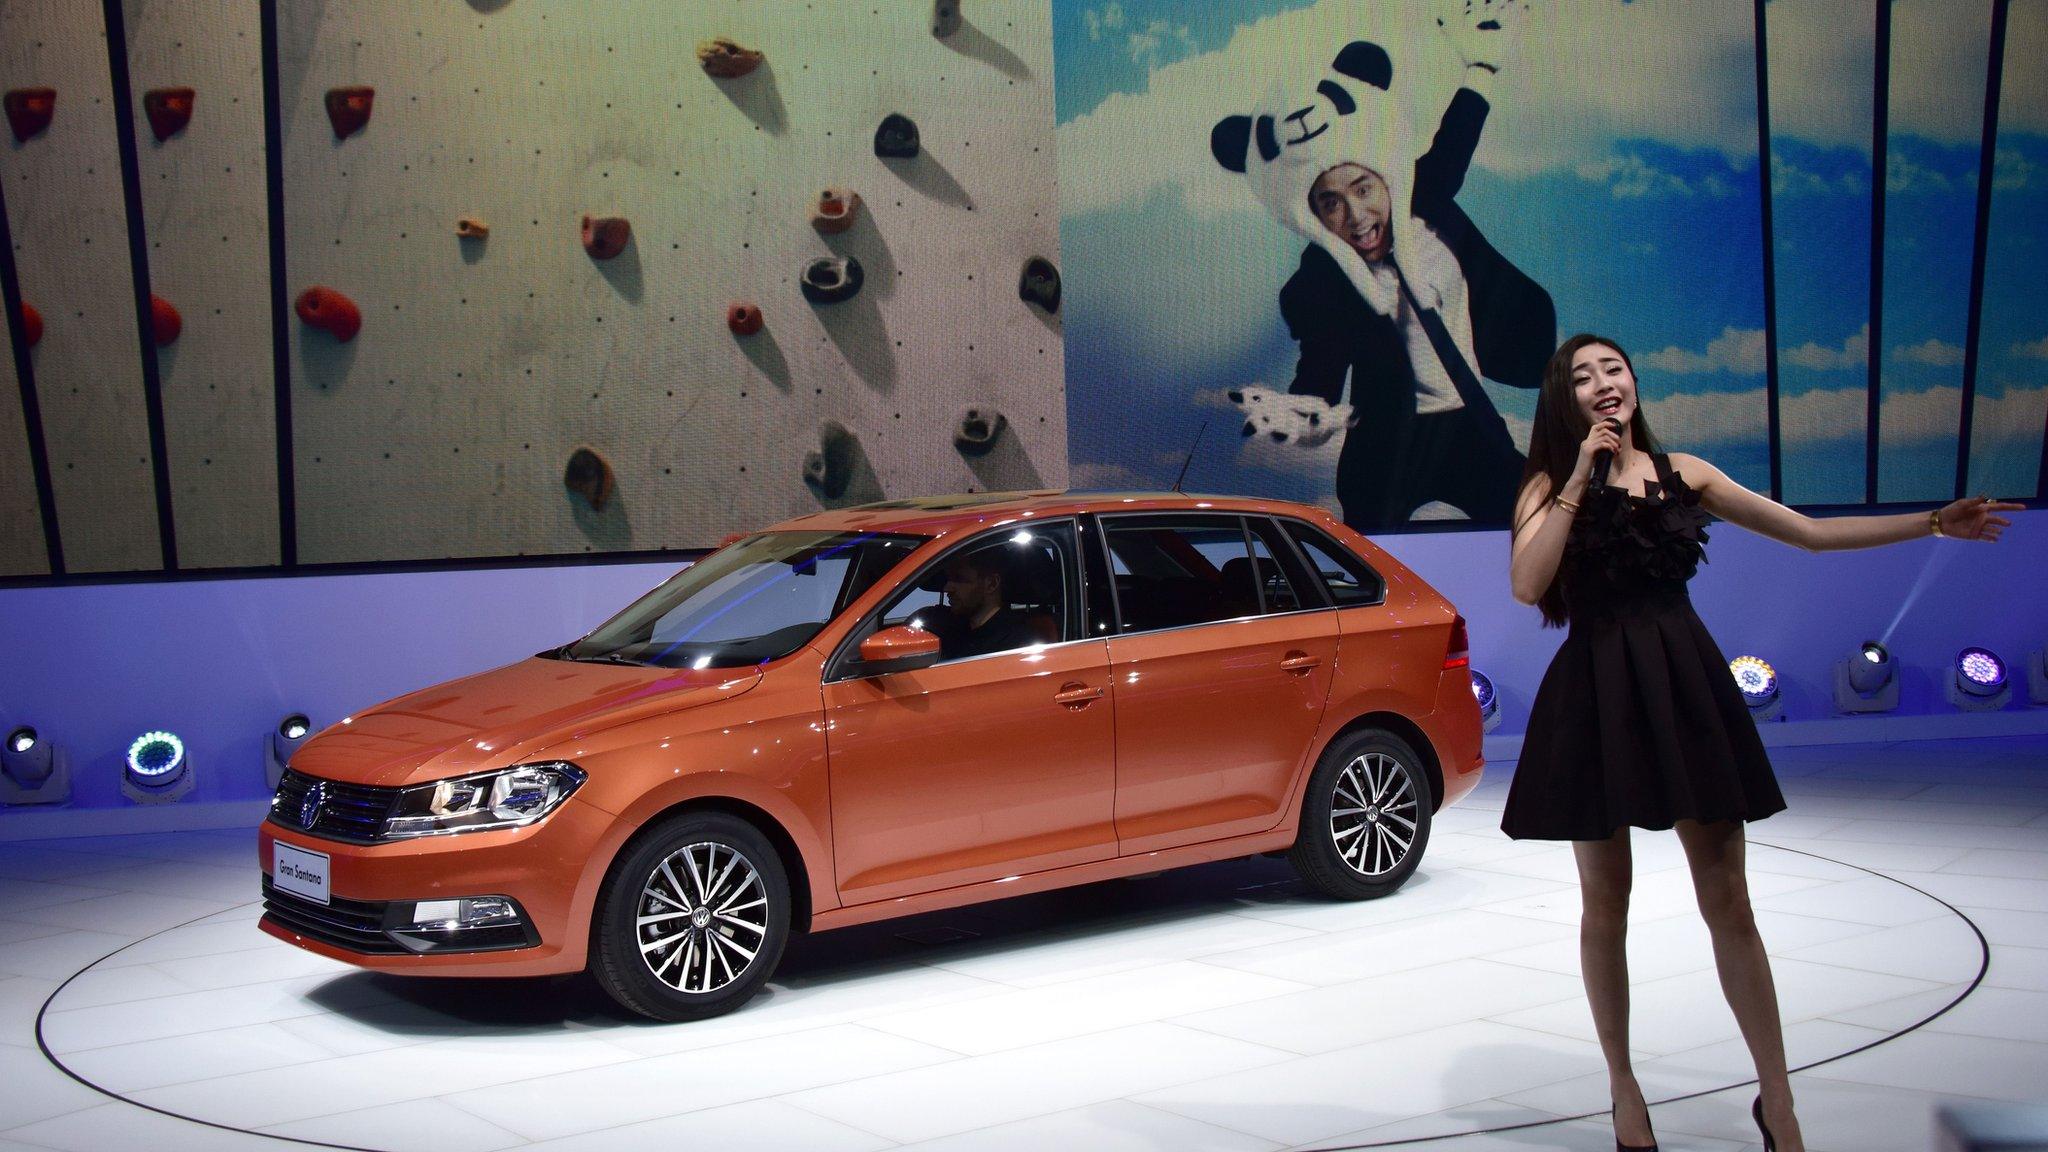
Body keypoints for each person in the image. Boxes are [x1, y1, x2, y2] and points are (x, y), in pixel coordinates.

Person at [1501, 333, 2019, 1152]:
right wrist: (1574, 478)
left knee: (1730, 900)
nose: (1605, 384)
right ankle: (1625, 1092)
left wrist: (1932, 523)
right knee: (1607, 906)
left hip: (1685, 685)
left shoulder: (1687, 474)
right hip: (1596, 695)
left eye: (1614, 368)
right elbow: (1530, 583)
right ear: (1562, 401)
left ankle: (1778, 1100)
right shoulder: (1545, 484)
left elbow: (1807, 534)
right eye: (1583, 376)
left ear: (1635, 379)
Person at [1212, 5, 1553, 531]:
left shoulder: (1429, 199)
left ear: (1385, 178)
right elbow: (1321, 368)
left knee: (1530, 527)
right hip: (1387, 448)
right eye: (1330, 203)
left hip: (1472, 427)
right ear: (1311, 214)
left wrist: (1481, 64)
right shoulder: (1319, 281)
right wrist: (1306, 414)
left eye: (1363, 189)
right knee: (1377, 558)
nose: (1357, 216)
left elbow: (1457, 134)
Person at [920, 550, 1038, 661]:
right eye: (948, 579)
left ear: (991, 583)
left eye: (959, 579)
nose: (947, 588)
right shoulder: (948, 626)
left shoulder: (1016, 643)